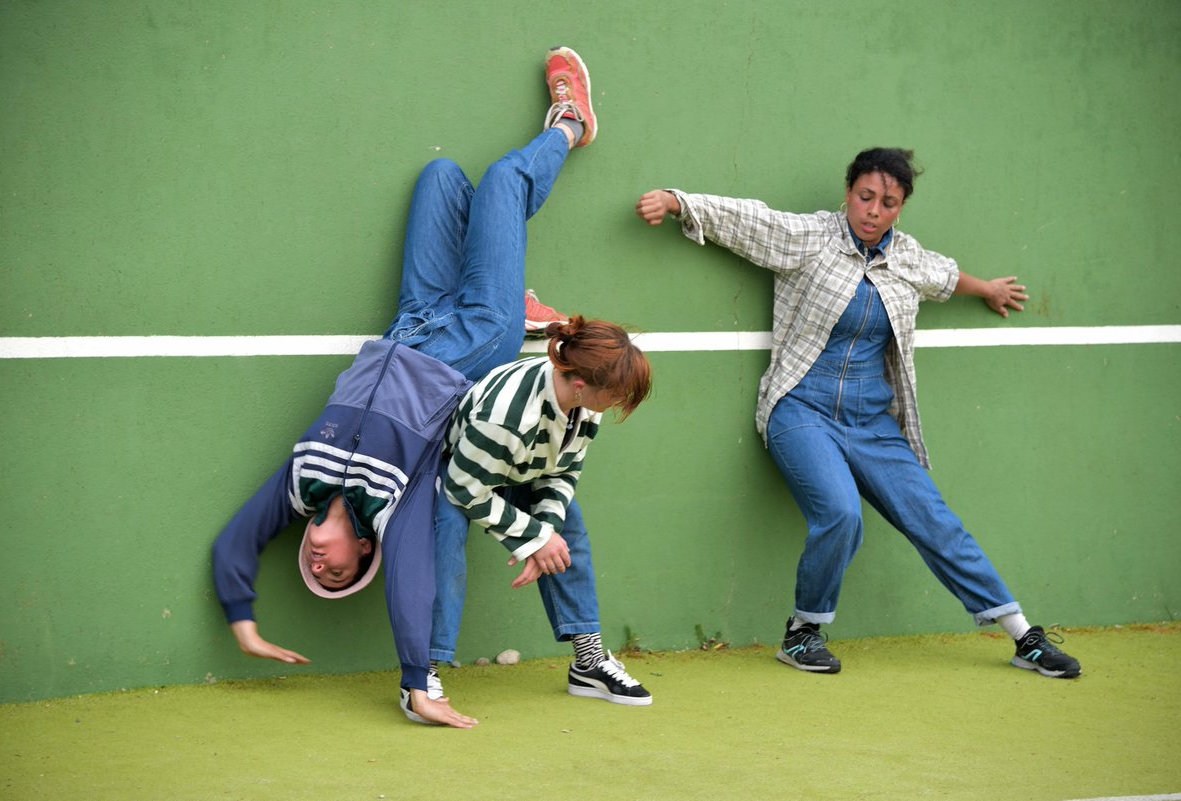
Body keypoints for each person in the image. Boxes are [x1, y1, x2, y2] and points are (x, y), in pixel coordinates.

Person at [211, 46, 603, 731]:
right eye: (337, 575)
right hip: (470, 344)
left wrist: (242, 619)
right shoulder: (395, 504)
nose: (320, 564)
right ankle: (571, 124)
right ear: (365, 551)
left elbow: (237, 539)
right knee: (505, 182)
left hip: (409, 323)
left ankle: (520, 298)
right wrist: (417, 683)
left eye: (316, 571)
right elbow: (412, 583)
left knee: (443, 178)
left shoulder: (302, 483)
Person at [635, 148, 1082, 679]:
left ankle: (1023, 636)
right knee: (841, 515)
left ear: (900, 209)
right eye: (865, 197)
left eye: (887, 203)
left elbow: (945, 275)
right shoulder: (812, 238)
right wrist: (677, 202)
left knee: (936, 522)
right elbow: (747, 220)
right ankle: (802, 634)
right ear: (848, 194)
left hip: (874, 423)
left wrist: (986, 289)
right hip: (801, 408)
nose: (873, 210)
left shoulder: (908, 258)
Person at [426, 315, 654, 713]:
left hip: (515, 469)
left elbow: (563, 470)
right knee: (446, 534)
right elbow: (463, 487)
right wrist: (532, 539)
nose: (619, 403)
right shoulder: (507, 416)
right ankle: (422, 668)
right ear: (582, 384)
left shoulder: (585, 398)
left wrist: (545, 535)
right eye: (616, 395)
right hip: (453, 472)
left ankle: (589, 661)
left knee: (569, 524)